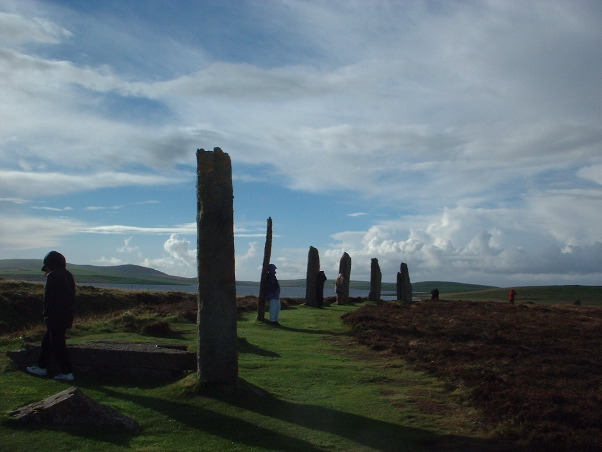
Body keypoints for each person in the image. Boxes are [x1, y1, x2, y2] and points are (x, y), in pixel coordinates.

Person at [27, 251, 76, 381]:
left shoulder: (53, 276)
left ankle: (67, 372)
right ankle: (41, 367)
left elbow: (49, 298)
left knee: (57, 344)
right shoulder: (68, 275)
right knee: (48, 341)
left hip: (55, 315)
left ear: (51, 265)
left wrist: (46, 315)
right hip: (66, 314)